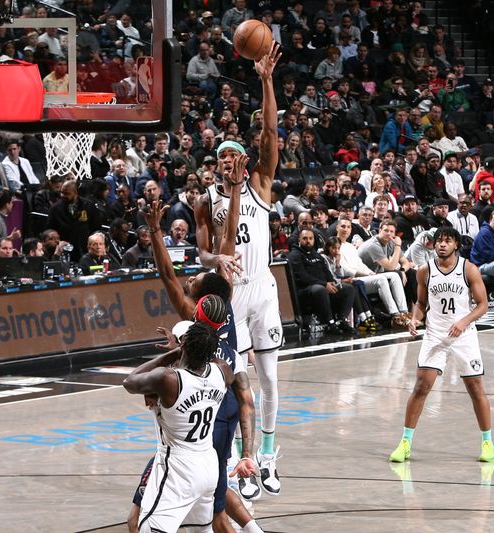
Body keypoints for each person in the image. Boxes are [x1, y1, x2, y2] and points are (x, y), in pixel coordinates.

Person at [130, 194, 261, 533]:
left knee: (161, 515)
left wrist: (155, 232)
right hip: (224, 404)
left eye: (193, 284)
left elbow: (166, 274)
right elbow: (228, 241)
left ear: (200, 305)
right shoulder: (225, 317)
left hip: (196, 429)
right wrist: (234, 194)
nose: (189, 282)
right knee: (214, 496)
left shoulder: (193, 319)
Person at [194, 42, 285, 499]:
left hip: (264, 289)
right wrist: (216, 260)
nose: (224, 162)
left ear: (242, 160)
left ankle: (267, 456)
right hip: (232, 295)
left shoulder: (261, 185)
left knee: (268, 379)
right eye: (218, 159)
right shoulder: (205, 200)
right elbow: (202, 253)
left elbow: (270, 130)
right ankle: (234, 459)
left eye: (230, 156)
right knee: (231, 383)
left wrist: (266, 80)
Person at [389, 227, 494, 464]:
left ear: (456, 244)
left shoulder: (469, 269)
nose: (442, 245)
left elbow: (482, 304)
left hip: (464, 335)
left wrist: (464, 320)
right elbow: (421, 302)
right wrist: (415, 317)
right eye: (439, 241)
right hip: (436, 335)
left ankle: (487, 442)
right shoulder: (425, 271)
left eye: (447, 241)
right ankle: (405, 442)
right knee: (420, 387)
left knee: (476, 388)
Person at [123, 322, 233, 533]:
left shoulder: (168, 379)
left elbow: (130, 381)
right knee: (200, 530)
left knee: (146, 528)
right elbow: (210, 362)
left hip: (178, 468)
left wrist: (170, 354)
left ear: (183, 344)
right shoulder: (223, 372)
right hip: (208, 466)